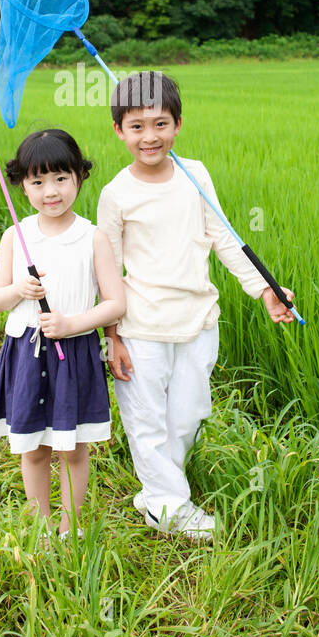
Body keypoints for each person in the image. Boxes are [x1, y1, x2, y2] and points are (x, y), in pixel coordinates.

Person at [96, 71, 295, 540]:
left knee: (187, 416)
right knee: (146, 423)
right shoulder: (115, 195)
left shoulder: (195, 174)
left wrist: (265, 289)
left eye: (160, 123)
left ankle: (156, 494)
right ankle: (170, 508)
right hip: (141, 327)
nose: (150, 136)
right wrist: (113, 336)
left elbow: (224, 238)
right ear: (119, 131)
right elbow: (108, 271)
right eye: (137, 126)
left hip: (199, 320)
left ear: (178, 124)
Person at [0, 128, 126, 541]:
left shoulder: (92, 237)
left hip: (75, 352)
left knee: (72, 447)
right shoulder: (16, 235)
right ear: (22, 186)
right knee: (34, 447)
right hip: (26, 354)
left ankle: (72, 527)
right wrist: (18, 290)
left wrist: (70, 325)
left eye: (61, 178)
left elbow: (115, 303)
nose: (51, 191)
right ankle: (40, 527)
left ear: (79, 178)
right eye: (38, 181)